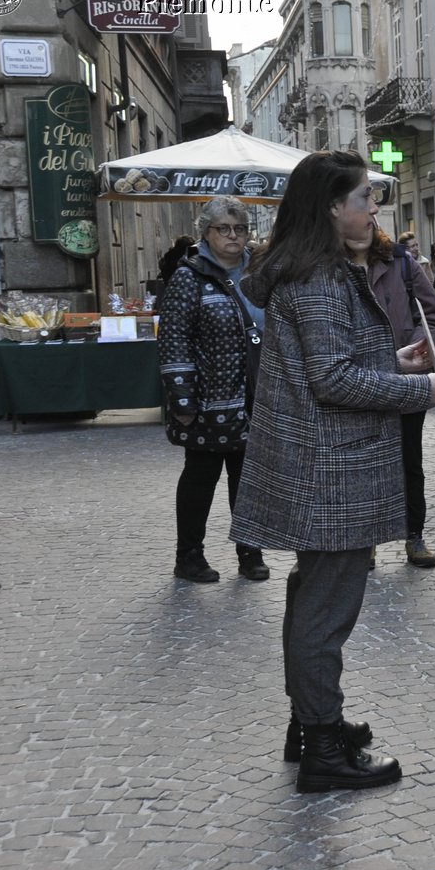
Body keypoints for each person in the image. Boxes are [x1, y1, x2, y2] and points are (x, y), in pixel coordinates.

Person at [229, 150, 435, 793]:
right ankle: (322, 747)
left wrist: (395, 361)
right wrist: (420, 392)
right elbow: (331, 380)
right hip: (331, 469)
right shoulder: (322, 277)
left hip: (322, 463)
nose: (373, 208)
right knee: (325, 611)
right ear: (332, 207)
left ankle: (311, 724)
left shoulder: (310, 272)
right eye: (364, 199)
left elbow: (330, 360)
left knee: (311, 600)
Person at [157, 197, 270, 583]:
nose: (233, 236)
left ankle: (250, 552)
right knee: (199, 479)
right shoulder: (189, 277)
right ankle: (189, 556)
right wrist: (182, 399)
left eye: (240, 228)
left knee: (249, 479)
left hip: (255, 398)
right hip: (208, 402)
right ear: (206, 232)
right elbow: (173, 340)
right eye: (224, 228)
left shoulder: (258, 271)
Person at [365, 225, 435, 568]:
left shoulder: (401, 262)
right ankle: (366, 540)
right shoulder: (331, 265)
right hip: (360, 382)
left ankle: (413, 536)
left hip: (406, 382)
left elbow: (434, 315)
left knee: (409, 462)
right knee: (364, 466)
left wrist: (415, 347)